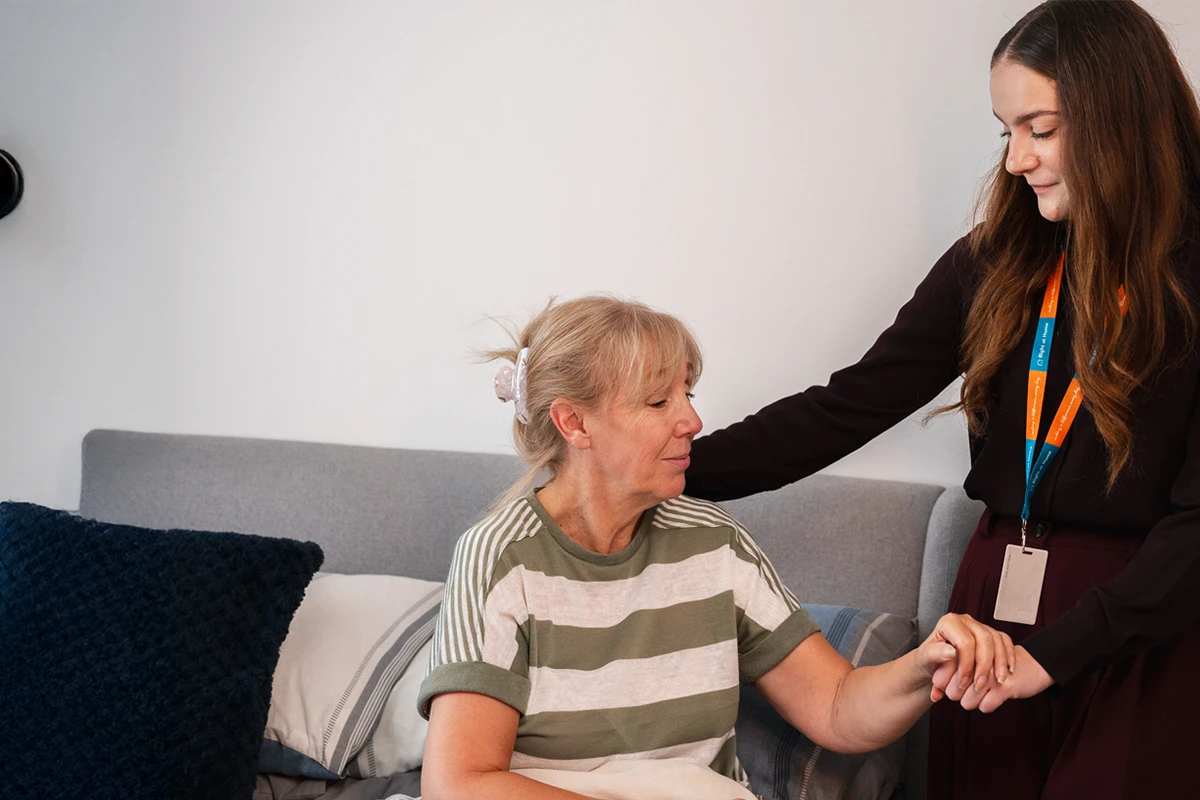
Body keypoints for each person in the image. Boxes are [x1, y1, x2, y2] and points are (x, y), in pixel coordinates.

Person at [684, 1, 1200, 797]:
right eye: (1007, 132)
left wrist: (1060, 652)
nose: (1020, 159)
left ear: (1119, 117)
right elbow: (847, 405)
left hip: (1141, 618)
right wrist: (673, 468)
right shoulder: (996, 260)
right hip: (991, 611)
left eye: (1042, 127)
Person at [417, 296, 1014, 800]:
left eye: (688, 394)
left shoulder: (714, 542)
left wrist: (924, 666)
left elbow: (836, 707)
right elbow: (460, 782)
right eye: (659, 403)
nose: (693, 422)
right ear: (574, 424)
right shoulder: (500, 556)